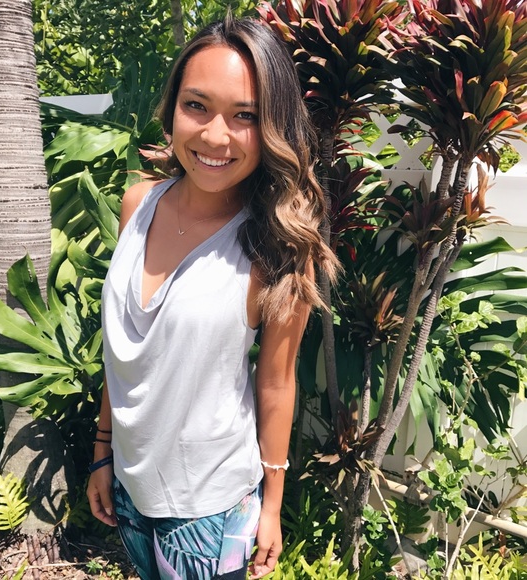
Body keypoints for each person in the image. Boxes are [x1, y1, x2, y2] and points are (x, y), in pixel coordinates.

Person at [87, 13, 338, 580]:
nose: (215, 136)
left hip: (209, 512)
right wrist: (102, 449)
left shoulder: (274, 246)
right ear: (172, 107)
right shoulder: (138, 204)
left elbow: (276, 383)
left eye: (245, 116)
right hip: (129, 485)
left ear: (272, 127)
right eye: (196, 105)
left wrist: (271, 507)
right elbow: (125, 351)